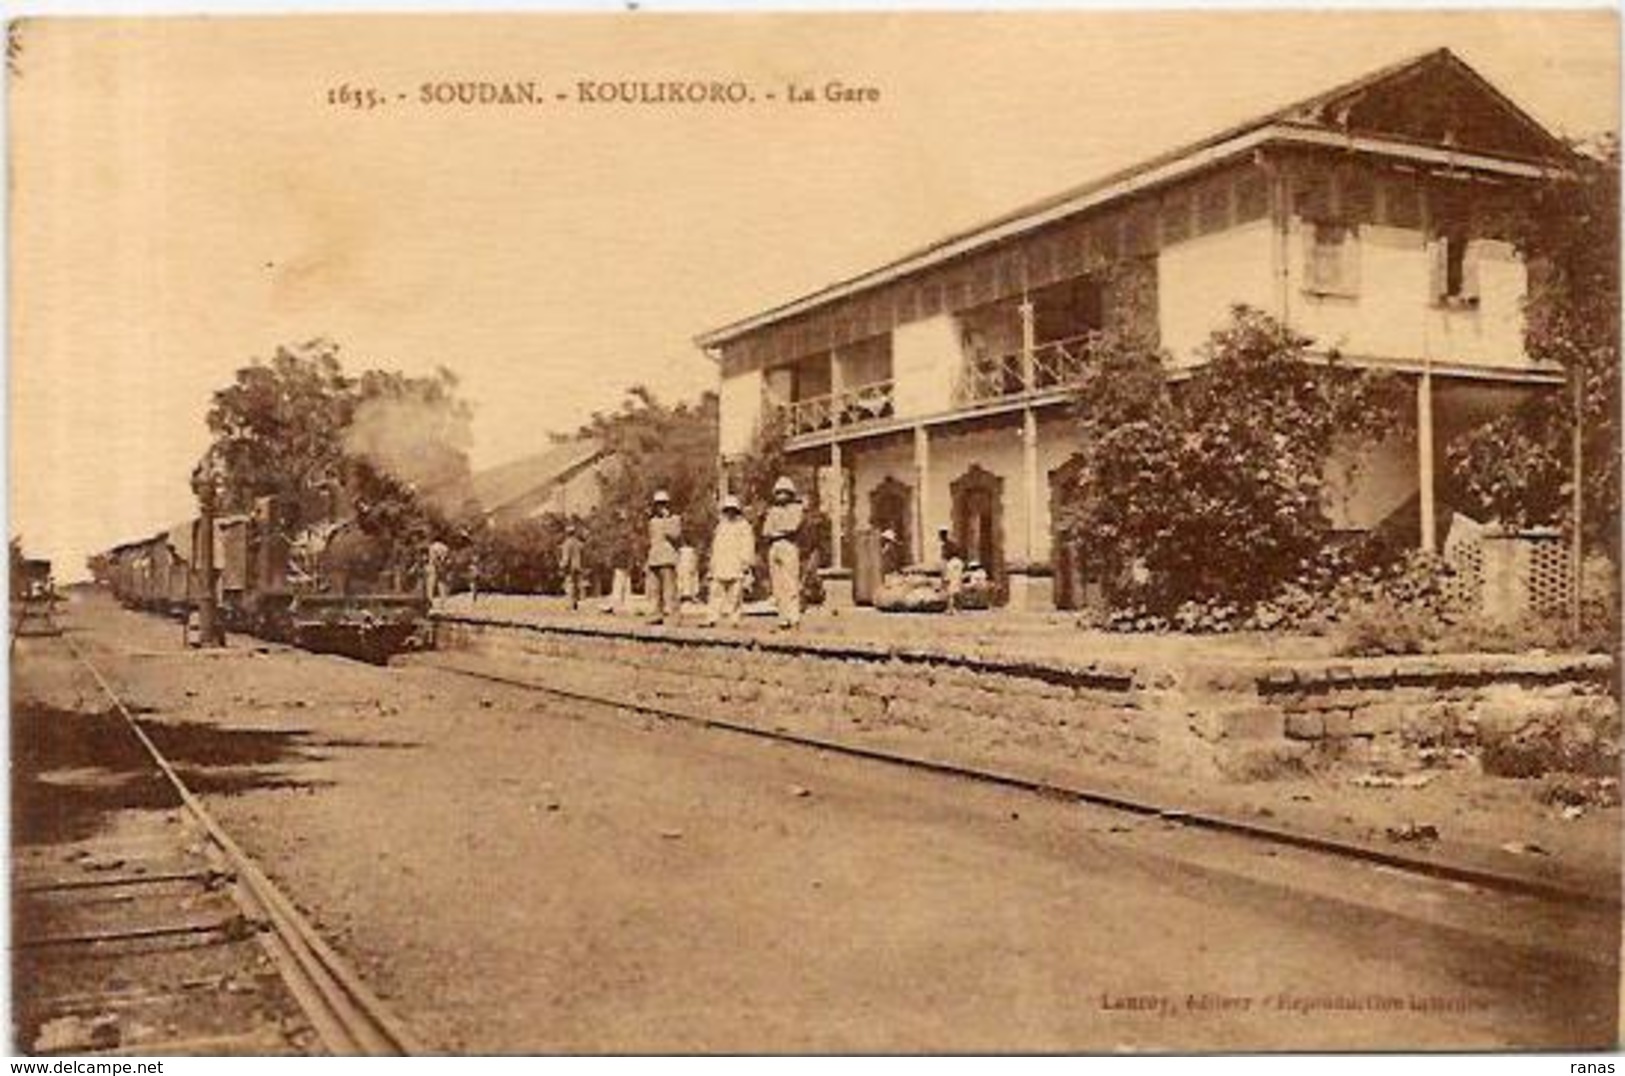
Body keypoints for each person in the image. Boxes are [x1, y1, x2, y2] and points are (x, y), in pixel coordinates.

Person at [705, 494, 755, 627]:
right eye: (727, 509)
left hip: (736, 563)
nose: (730, 512)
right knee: (716, 592)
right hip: (721, 563)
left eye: (732, 509)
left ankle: (735, 619)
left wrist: (746, 562)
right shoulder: (721, 526)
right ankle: (712, 617)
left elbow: (748, 545)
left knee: (736, 594)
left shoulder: (744, 526)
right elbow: (715, 546)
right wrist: (712, 563)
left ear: (737, 510)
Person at [763, 476, 805, 630]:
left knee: (790, 582)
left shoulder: (797, 509)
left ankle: (794, 617)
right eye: (779, 492)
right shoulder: (773, 510)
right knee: (778, 584)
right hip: (774, 547)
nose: (781, 495)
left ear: (790, 494)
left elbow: (792, 527)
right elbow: (766, 531)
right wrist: (776, 532)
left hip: (789, 545)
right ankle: (783, 617)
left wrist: (777, 531)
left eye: (785, 492)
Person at [645, 489, 682, 624]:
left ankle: (673, 615)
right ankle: (656, 614)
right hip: (654, 558)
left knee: (669, 590)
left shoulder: (675, 519)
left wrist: (666, 520)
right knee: (654, 590)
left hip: (668, 558)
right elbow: (652, 540)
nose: (662, 507)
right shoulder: (653, 521)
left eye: (664, 504)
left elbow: (676, 535)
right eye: (659, 504)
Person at [938, 525, 965, 615]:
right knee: (956, 586)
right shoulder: (952, 544)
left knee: (951, 587)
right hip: (957, 563)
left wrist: (944, 573)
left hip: (952, 564)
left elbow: (945, 559)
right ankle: (956, 608)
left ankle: (952, 608)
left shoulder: (946, 545)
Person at [558, 522, 585, 611]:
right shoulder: (579, 543)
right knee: (577, 585)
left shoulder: (567, 543)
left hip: (570, 567)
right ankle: (575, 603)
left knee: (570, 585)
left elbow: (566, 558)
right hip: (579, 566)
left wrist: (562, 566)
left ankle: (571, 605)